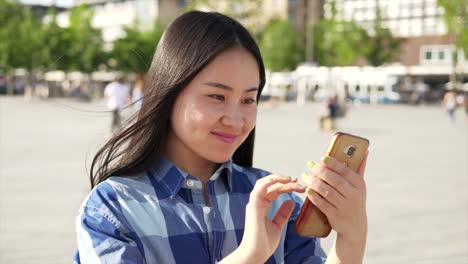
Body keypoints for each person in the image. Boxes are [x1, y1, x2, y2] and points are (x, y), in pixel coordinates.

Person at [74, 11, 369, 264]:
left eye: (248, 100)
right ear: (170, 91)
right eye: (217, 96)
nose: (236, 120)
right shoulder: (111, 209)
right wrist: (248, 257)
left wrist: (351, 238)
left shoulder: (278, 204)